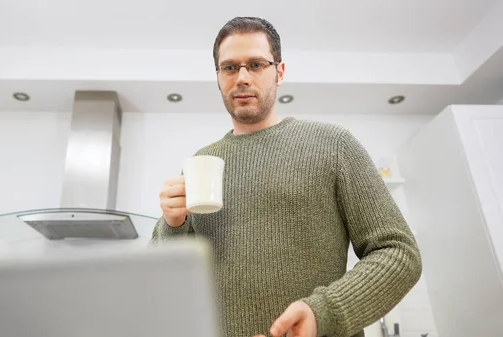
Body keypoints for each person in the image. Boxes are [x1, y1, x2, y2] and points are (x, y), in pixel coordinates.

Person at [150, 16, 422, 337]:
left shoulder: (334, 145)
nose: (241, 77)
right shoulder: (199, 163)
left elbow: (399, 252)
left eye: (255, 64)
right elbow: (165, 279)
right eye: (229, 67)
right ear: (218, 77)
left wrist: (323, 313)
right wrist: (172, 224)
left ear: (279, 72)